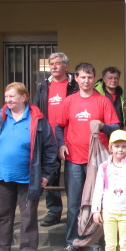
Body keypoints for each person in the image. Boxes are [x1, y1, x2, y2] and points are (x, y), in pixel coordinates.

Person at [0, 82, 58, 251]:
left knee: (28, 216)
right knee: (3, 215)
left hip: (29, 177)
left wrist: (45, 174)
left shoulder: (37, 119)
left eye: (12, 96)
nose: (8, 100)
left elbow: (50, 148)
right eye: (6, 97)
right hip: (2, 176)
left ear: (24, 97)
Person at [55, 63, 120, 251]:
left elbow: (116, 127)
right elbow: (59, 126)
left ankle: (95, 244)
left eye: (90, 77)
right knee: (74, 204)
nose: (86, 81)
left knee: (96, 202)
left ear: (94, 78)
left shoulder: (103, 101)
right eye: (82, 77)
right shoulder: (69, 101)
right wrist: (61, 144)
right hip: (74, 158)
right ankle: (72, 242)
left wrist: (103, 126)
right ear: (76, 78)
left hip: (97, 161)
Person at [33, 52, 79, 228]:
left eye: (58, 63)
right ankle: (54, 211)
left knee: (73, 177)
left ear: (66, 66)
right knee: (51, 176)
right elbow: (36, 111)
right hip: (49, 138)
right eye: (51, 64)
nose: (54, 66)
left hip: (71, 137)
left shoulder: (75, 85)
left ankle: (75, 212)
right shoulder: (43, 86)